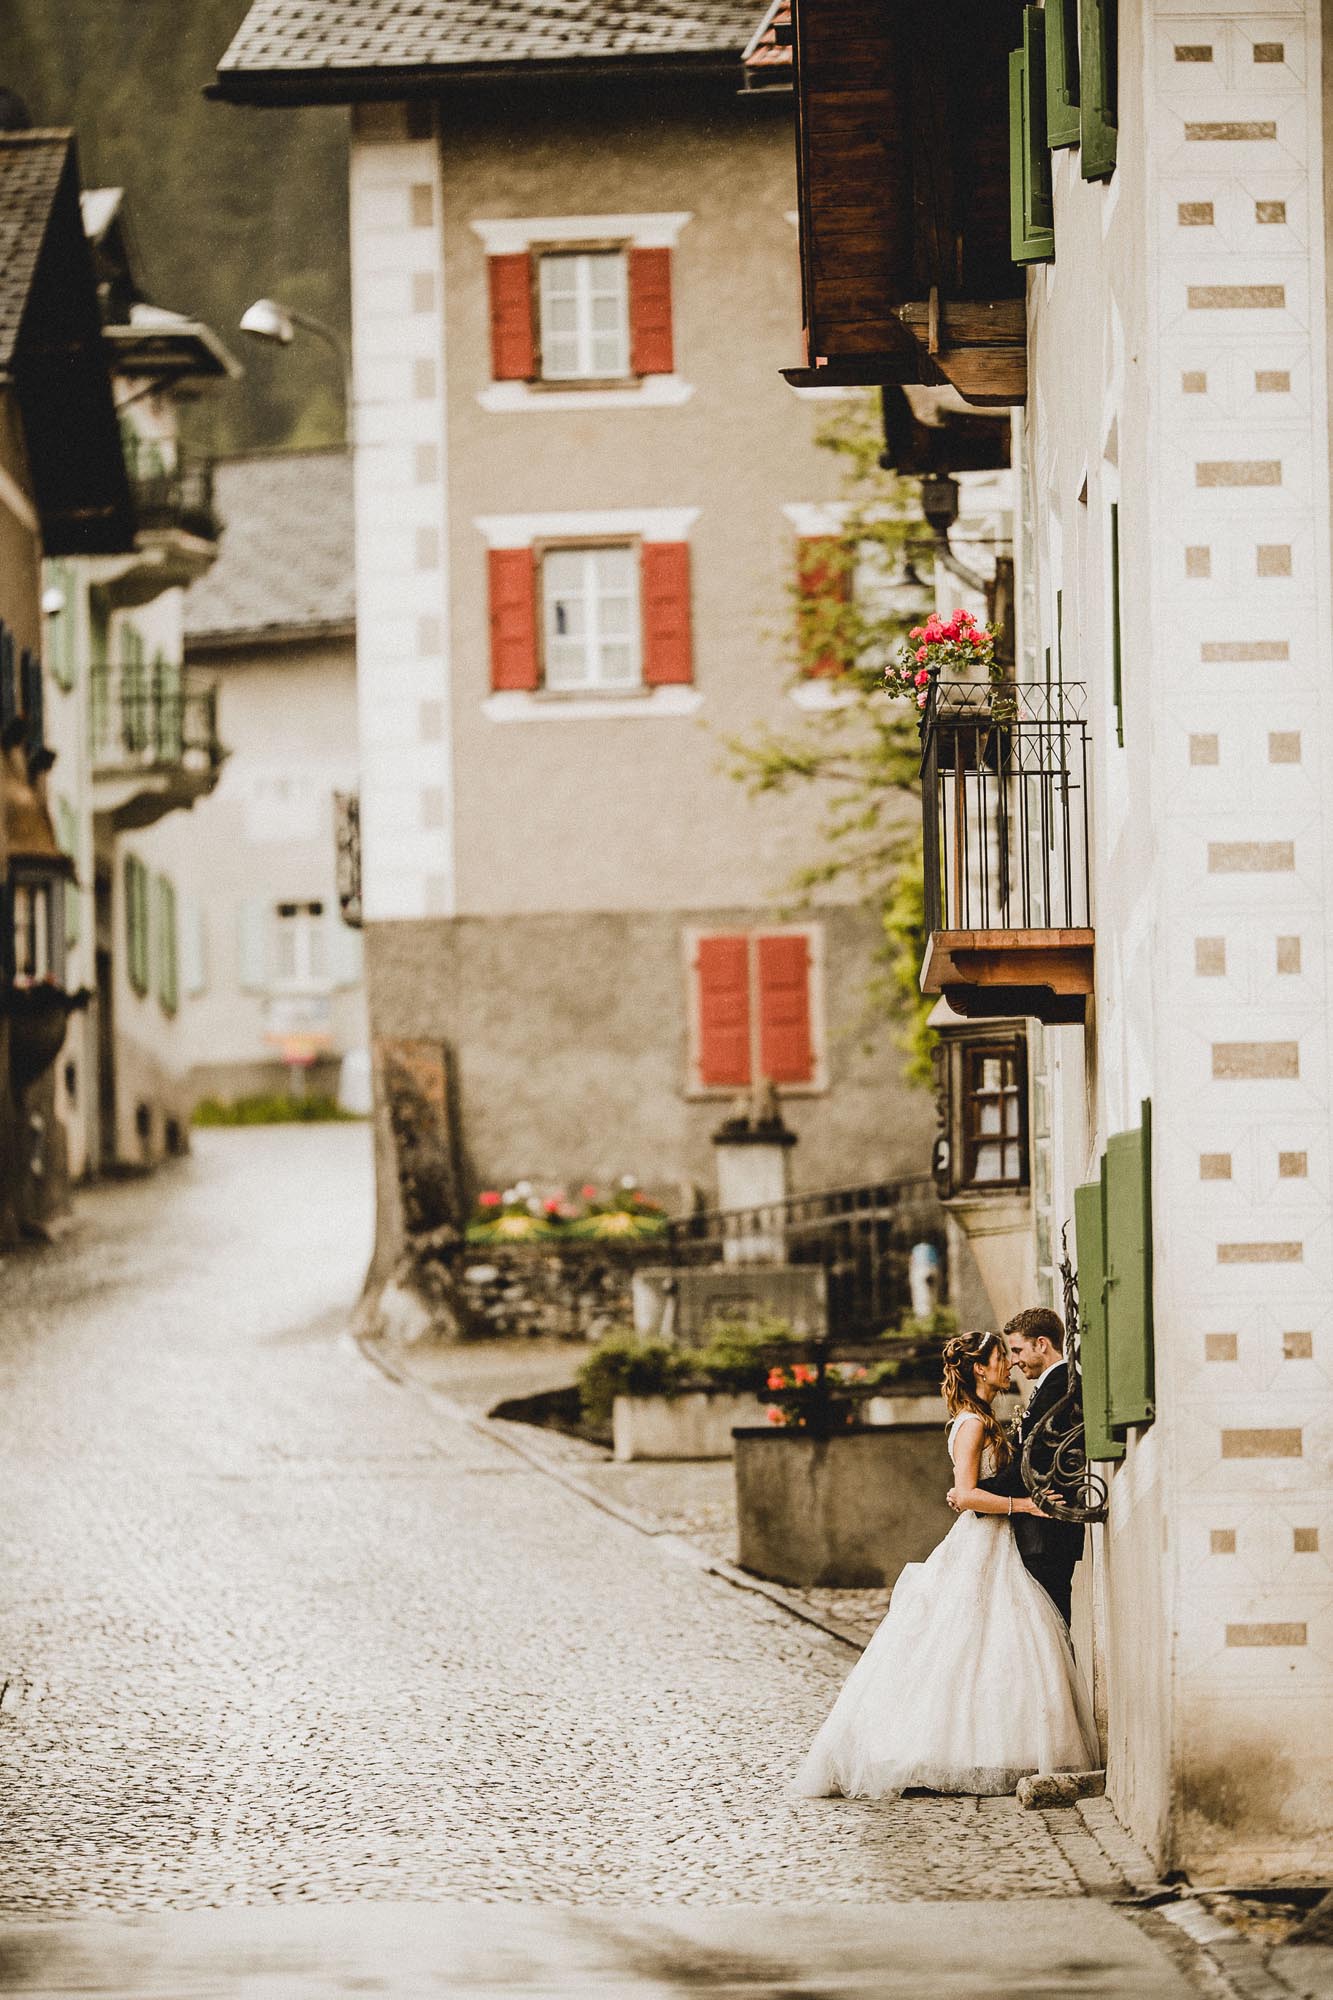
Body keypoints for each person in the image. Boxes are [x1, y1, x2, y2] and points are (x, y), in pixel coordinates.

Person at [793, 1330, 1097, 1801]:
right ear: (979, 1368)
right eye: (1001, 1357)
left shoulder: (982, 1418)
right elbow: (970, 1495)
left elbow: (975, 1488)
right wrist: (1028, 1506)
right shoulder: (973, 1424)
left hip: (998, 1541)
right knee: (964, 1645)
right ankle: (939, 1750)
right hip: (987, 1537)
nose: (1008, 1366)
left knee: (991, 1646)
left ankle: (990, 1746)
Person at [954, 1306, 1085, 1627]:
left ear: (1042, 1344)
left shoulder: (1061, 1386)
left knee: (1046, 1626)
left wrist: (971, 1493)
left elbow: (1033, 1460)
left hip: (1047, 1532)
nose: (1013, 1361)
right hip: (1032, 1531)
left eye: (1016, 1350)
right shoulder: (1051, 1386)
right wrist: (968, 1491)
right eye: (1006, 1355)